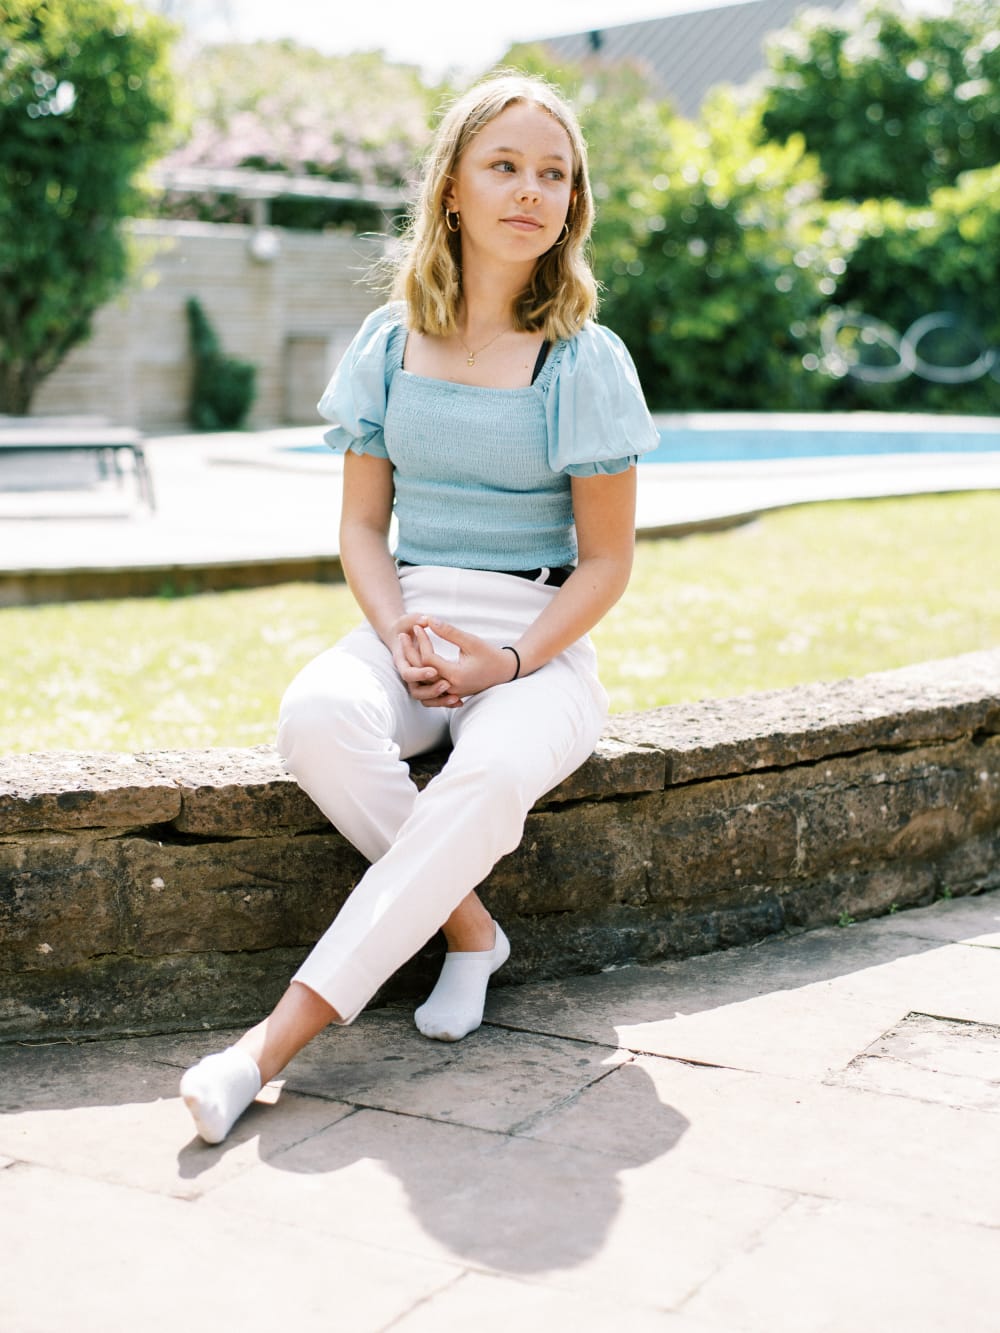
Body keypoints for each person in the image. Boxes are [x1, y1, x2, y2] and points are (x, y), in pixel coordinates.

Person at [180, 72, 660, 1145]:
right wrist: (393, 623)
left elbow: (607, 561)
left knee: (485, 772)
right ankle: (471, 929)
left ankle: (261, 1050)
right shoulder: (389, 341)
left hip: (534, 642)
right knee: (314, 715)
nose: (531, 191)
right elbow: (361, 526)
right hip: (403, 618)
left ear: (571, 203)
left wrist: (507, 661)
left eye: (553, 174)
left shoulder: (584, 358)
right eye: (504, 166)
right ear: (451, 187)